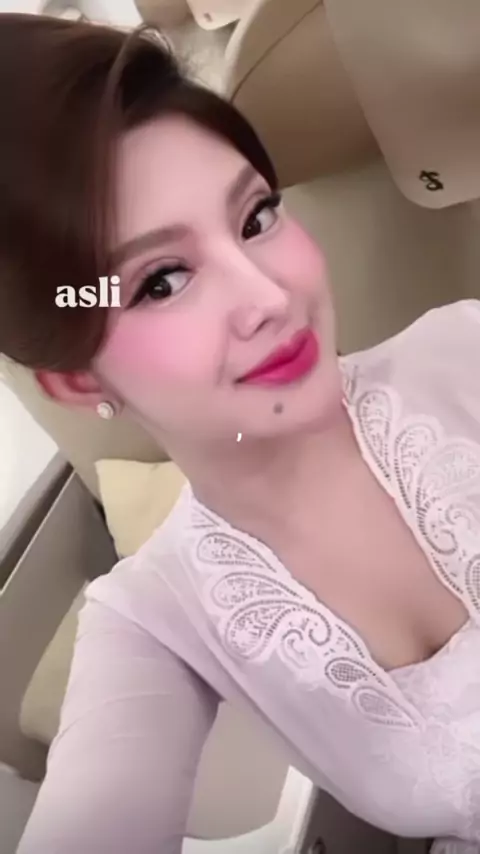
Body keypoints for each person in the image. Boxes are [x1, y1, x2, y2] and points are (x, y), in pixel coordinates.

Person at [2, 13, 479, 854]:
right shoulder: (151, 623)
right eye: (162, 281)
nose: (267, 295)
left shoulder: (466, 353)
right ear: (78, 380)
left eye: (256, 217)